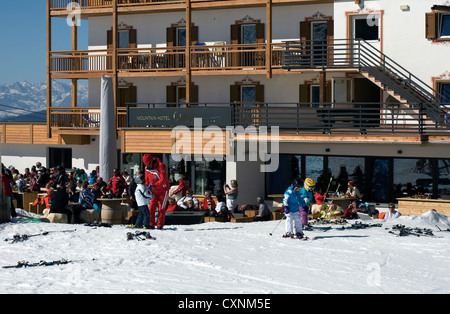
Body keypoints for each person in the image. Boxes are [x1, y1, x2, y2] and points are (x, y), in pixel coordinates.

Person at [144, 154, 170, 230]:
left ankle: (160, 224)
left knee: (161, 208)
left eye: (149, 164)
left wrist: (154, 185)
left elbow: (163, 179)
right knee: (151, 208)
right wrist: (147, 186)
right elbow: (147, 179)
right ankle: (151, 224)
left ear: (151, 161)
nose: (148, 166)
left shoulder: (160, 165)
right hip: (153, 191)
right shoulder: (147, 168)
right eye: (146, 164)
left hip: (163, 190)